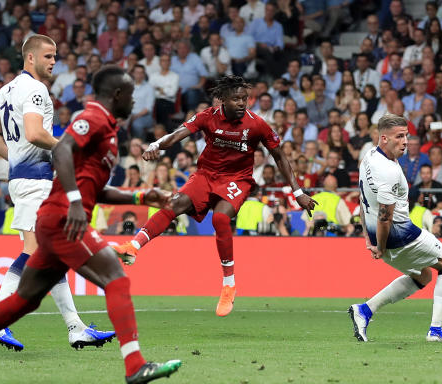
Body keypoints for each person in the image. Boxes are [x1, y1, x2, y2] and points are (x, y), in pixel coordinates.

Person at [0, 66, 182, 384]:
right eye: (131, 92)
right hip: (63, 217)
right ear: (117, 95)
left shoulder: (109, 131)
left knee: (25, 300)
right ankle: (135, 365)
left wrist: (141, 195)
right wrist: (75, 201)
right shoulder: (93, 117)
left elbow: (95, 188)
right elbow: (63, 148)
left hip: (56, 219)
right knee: (116, 280)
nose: (135, 98)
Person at [115, 76, 316, 316]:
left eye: (245, 98)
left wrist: (298, 192)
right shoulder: (208, 116)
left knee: (220, 219)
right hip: (206, 174)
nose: (242, 103)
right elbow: (179, 134)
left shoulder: (257, 124)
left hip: (237, 178)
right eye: (236, 99)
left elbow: (280, 157)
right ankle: (133, 246)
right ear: (223, 100)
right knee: (175, 203)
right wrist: (156, 145)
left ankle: (229, 284)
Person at [0, 35, 113, 350]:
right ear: (31, 58)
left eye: (55, 57)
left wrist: (13, 157)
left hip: (23, 178)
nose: (53, 62)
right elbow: (36, 133)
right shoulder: (36, 89)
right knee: (36, 251)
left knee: (50, 253)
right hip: (35, 180)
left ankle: (75, 328)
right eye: (49, 56)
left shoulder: (7, 89)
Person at [348, 114, 442, 343]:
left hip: (381, 236)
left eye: (406, 136)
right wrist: (380, 244)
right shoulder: (388, 171)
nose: (405, 141)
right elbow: (385, 216)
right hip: (399, 236)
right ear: (384, 138)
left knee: (423, 274)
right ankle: (435, 331)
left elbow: (363, 199)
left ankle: (365, 310)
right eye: (400, 137)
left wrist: (367, 236)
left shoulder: (368, 156)